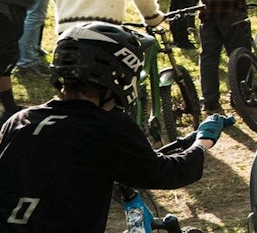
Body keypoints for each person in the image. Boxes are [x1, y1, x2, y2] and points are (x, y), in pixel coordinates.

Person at [0, 22, 235, 232]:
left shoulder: (20, 120)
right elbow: (166, 173)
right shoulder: (106, 126)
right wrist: (203, 142)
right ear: (118, 75)